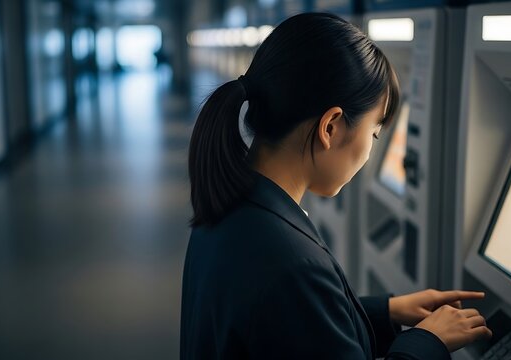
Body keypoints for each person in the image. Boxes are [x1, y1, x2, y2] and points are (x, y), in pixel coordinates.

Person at [181, 13, 492, 360]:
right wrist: (427, 342)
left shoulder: (231, 205)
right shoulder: (291, 262)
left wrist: (385, 311)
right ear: (330, 127)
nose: (372, 151)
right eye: (374, 134)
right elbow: (292, 303)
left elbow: (287, 331)